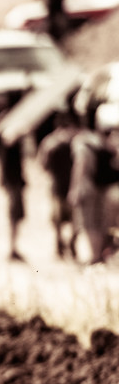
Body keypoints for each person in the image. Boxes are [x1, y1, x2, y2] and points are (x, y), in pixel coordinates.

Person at [69, 105, 119, 265]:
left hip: (86, 187)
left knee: (90, 223)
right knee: (100, 222)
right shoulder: (106, 143)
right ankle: (98, 255)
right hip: (103, 188)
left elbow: (81, 165)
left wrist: (75, 188)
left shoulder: (82, 142)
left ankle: (94, 256)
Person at [36, 110, 80, 259]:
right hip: (62, 186)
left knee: (64, 220)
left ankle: (64, 246)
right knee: (64, 219)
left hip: (63, 186)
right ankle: (64, 246)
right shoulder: (71, 142)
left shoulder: (50, 142)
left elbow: (42, 165)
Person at [0, 137, 28, 262]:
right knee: (14, 217)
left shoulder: (10, 147)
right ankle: (12, 249)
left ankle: (13, 247)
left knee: (16, 217)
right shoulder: (9, 147)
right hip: (14, 186)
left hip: (15, 185)